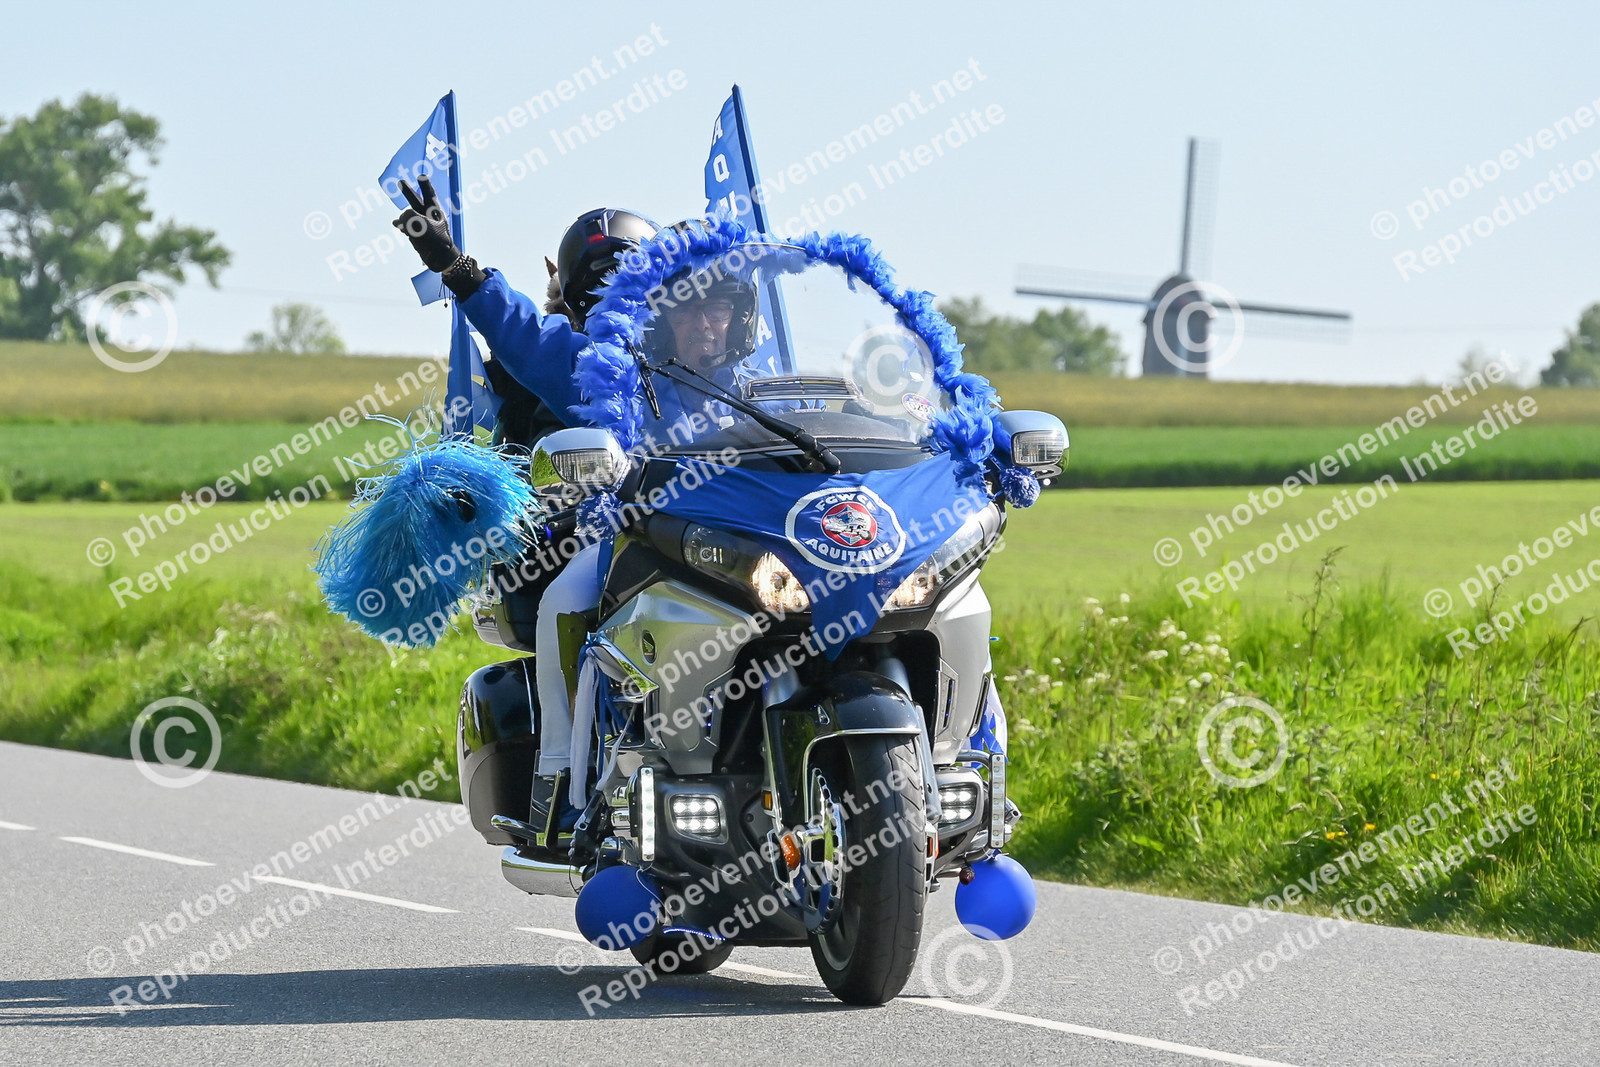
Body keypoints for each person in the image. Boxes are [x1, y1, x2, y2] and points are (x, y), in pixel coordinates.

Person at [393, 178, 658, 843]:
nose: (621, 300)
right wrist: (455, 267)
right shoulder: (591, 366)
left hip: (720, 535)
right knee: (566, 600)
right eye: (603, 287)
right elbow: (523, 333)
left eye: (637, 284)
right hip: (622, 536)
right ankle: (561, 783)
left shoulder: (725, 370)